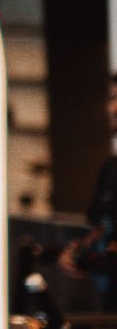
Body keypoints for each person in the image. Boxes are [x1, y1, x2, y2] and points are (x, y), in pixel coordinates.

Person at [58, 72, 117, 308]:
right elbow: (100, 227)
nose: (113, 108)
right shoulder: (110, 169)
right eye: (112, 98)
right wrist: (76, 251)